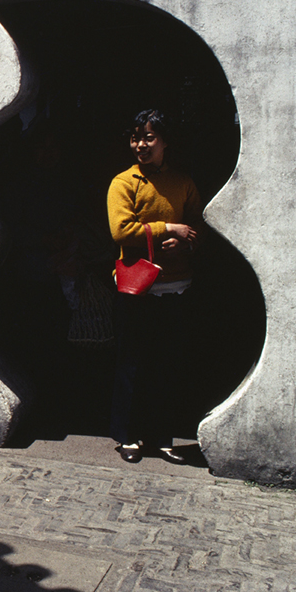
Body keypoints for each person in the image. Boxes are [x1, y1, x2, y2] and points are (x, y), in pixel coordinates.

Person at [107, 109, 202, 464]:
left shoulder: (182, 182)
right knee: (132, 362)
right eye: (135, 138)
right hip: (136, 287)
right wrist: (168, 229)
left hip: (176, 285)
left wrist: (188, 241)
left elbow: (197, 223)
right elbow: (120, 231)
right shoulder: (124, 183)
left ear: (165, 141)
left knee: (168, 364)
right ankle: (128, 438)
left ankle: (163, 438)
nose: (140, 145)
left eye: (148, 137)